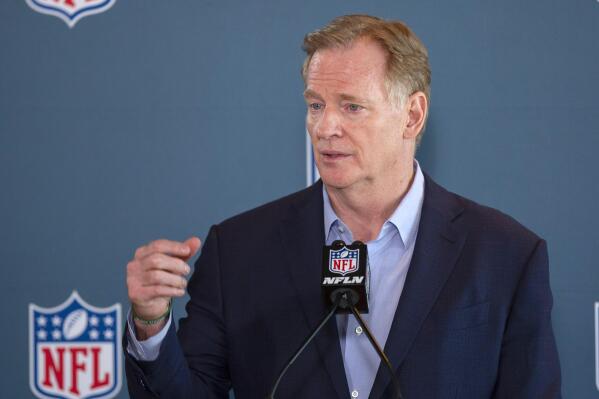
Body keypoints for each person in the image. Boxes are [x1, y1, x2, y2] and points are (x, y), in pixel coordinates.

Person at [124, 14, 561, 399]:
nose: (325, 127)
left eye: (351, 107)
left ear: (412, 116)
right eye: (316, 105)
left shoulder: (505, 255)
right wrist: (150, 324)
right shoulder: (238, 250)